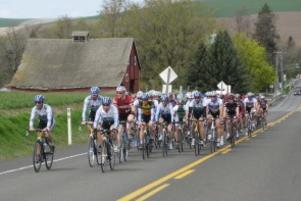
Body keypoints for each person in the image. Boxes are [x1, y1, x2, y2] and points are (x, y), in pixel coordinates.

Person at [113, 85, 135, 152]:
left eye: (120, 93)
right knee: (119, 131)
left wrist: (133, 110)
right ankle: (119, 145)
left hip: (129, 113)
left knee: (129, 121)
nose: (118, 94)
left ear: (124, 93)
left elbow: (132, 107)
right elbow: (114, 108)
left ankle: (130, 136)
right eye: (117, 92)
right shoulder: (115, 99)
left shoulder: (129, 98)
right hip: (120, 115)